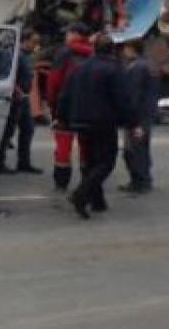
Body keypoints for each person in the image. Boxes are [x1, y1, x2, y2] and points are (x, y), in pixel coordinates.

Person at [59, 34, 142, 219]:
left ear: (94, 48)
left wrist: (62, 118)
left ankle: (97, 201)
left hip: (80, 121)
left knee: (90, 161)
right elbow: (122, 99)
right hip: (104, 122)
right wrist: (133, 122)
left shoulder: (79, 68)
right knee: (105, 162)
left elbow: (66, 94)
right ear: (112, 50)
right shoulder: (114, 70)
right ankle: (81, 194)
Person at [46, 23, 93, 191]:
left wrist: (52, 105)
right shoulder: (93, 52)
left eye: (68, 33)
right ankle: (87, 179)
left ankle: (61, 181)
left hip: (65, 106)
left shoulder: (64, 53)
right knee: (86, 146)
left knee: (63, 146)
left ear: (74, 34)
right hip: (88, 107)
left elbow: (54, 81)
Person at [0, 29, 42, 174]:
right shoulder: (13, 55)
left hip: (24, 97)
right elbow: (6, 74)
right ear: (25, 40)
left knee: (28, 129)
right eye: (34, 42)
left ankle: (24, 162)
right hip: (13, 97)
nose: (36, 45)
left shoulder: (28, 56)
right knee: (8, 131)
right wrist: (16, 89)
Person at [119, 39, 157, 194]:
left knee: (134, 150)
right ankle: (143, 179)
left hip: (138, 116)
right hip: (146, 113)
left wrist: (131, 117)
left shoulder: (137, 68)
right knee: (141, 148)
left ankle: (139, 181)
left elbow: (133, 94)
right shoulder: (147, 65)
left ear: (131, 49)